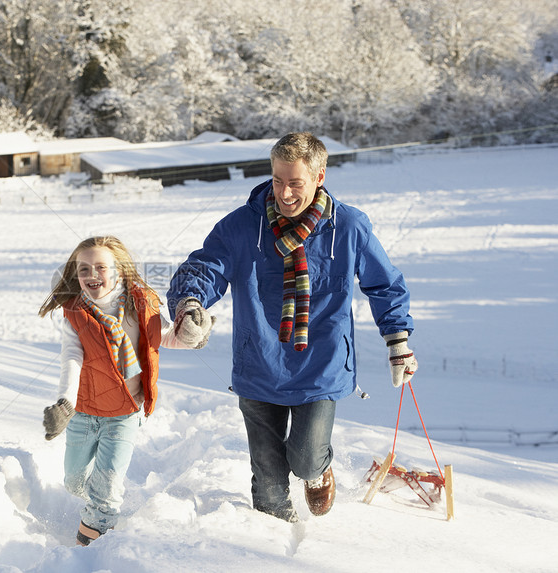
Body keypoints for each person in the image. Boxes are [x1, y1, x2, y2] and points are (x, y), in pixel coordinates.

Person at [166, 132, 417, 522]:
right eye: (278, 180)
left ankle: (317, 472)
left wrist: (397, 340)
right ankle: (274, 543)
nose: (284, 193)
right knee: (267, 485)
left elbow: (385, 284)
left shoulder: (348, 228)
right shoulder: (242, 226)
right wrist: (189, 305)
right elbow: (203, 268)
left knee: (305, 458)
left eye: (295, 182)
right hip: (259, 363)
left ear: (320, 176)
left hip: (322, 364)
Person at [39, 236, 196, 546]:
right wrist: (65, 405)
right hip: (84, 412)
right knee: (73, 481)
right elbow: (71, 359)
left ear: (120, 272)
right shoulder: (75, 314)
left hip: (125, 411)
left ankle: (95, 533)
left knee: (107, 481)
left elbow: (167, 336)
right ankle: (101, 500)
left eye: (101, 267)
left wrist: (191, 333)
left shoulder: (141, 306)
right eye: (84, 269)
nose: (92, 275)